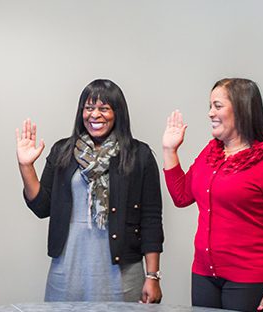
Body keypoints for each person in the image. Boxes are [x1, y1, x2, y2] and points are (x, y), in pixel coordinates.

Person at [15, 79, 164, 303]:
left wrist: (153, 276)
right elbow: (42, 206)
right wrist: (25, 166)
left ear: (118, 113)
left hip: (121, 270)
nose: (95, 115)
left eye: (104, 108)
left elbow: (151, 219)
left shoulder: (138, 155)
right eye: (89, 108)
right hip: (68, 267)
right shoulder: (63, 151)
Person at [162, 78, 263, 312]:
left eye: (217, 106)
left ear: (241, 108)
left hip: (250, 279)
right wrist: (169, 150)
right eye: (210, 106)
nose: (210, 113)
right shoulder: (211, 152)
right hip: (204, 275)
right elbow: (182, 196)